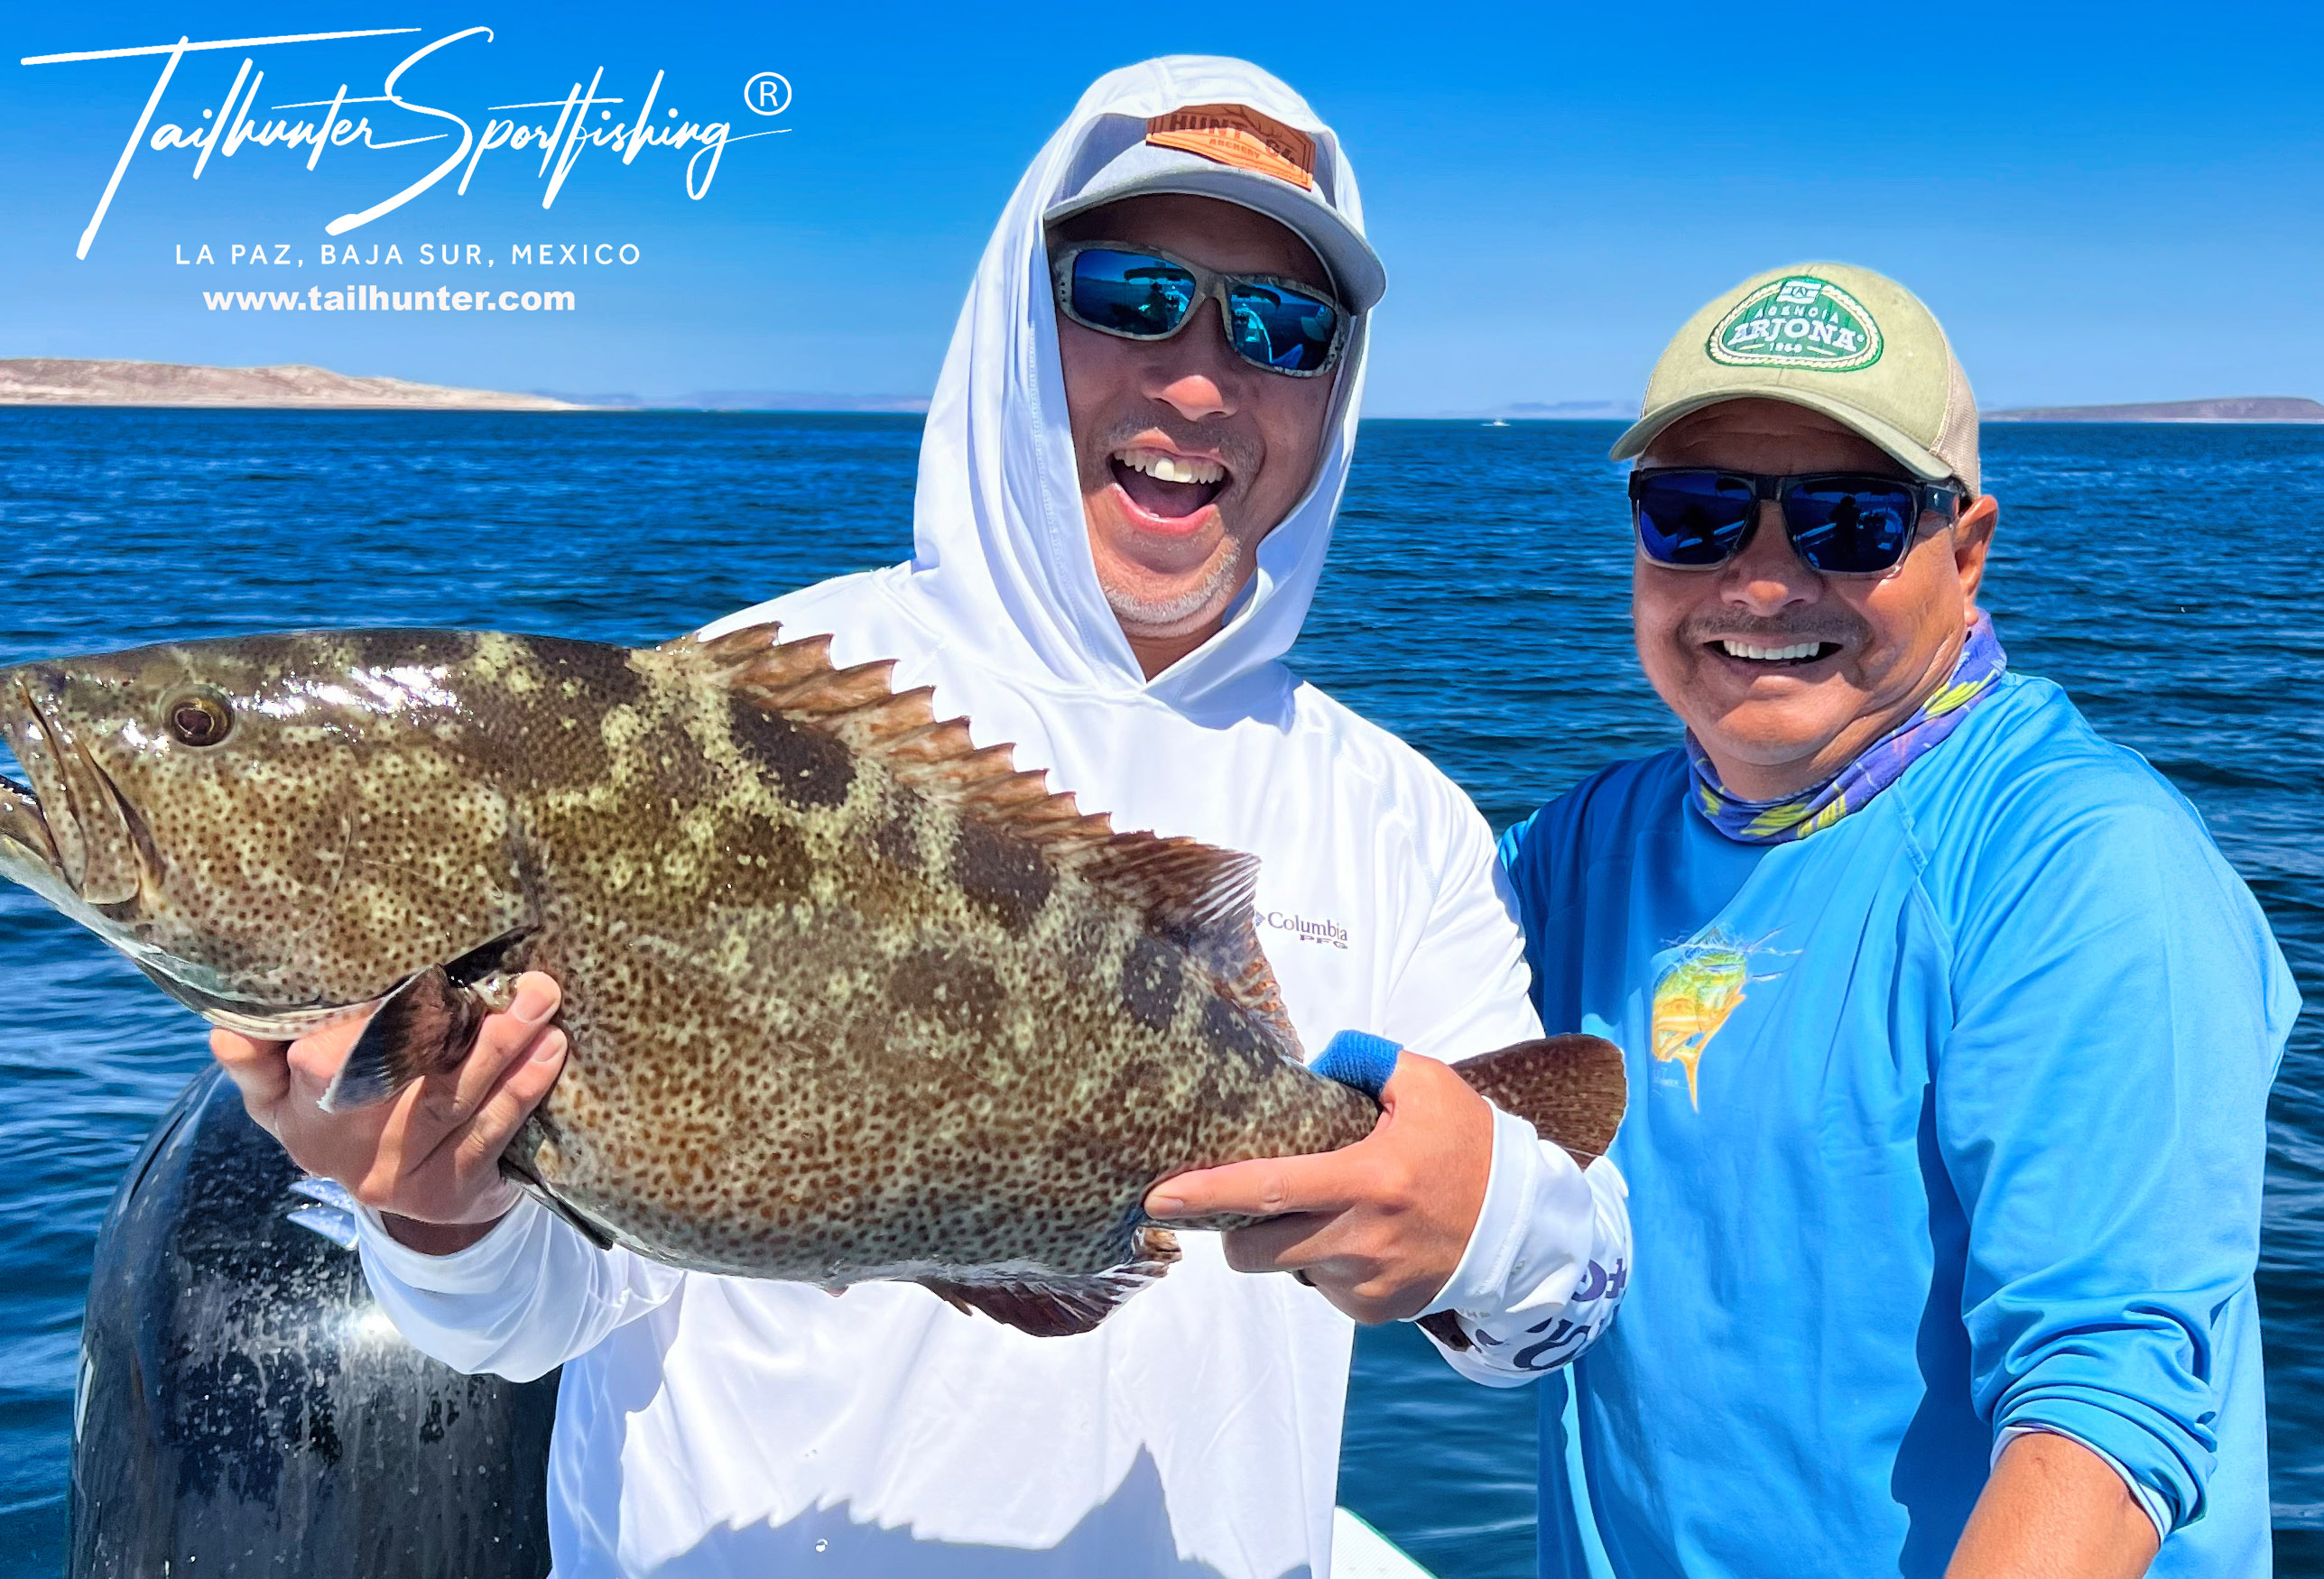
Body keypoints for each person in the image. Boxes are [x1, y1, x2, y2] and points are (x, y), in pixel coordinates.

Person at [208, 57, 1629, 1579]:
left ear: (1336, 388)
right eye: (1134, 295)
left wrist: (1482, 1220)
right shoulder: (734, 717)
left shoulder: (1399, 815)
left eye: (1283, 328)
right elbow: (537, 1314)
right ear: (1022, 312)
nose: (1200, 381)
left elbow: (1563, 1301)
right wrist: (436, 1211)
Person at [1493, 265, 2290, 1576]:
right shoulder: (1582, 849)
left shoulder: (2083, 863)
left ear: (1965, 552)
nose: (1760, 582)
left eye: (1849, 522)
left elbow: (2103, 1414)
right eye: (1694, 514)